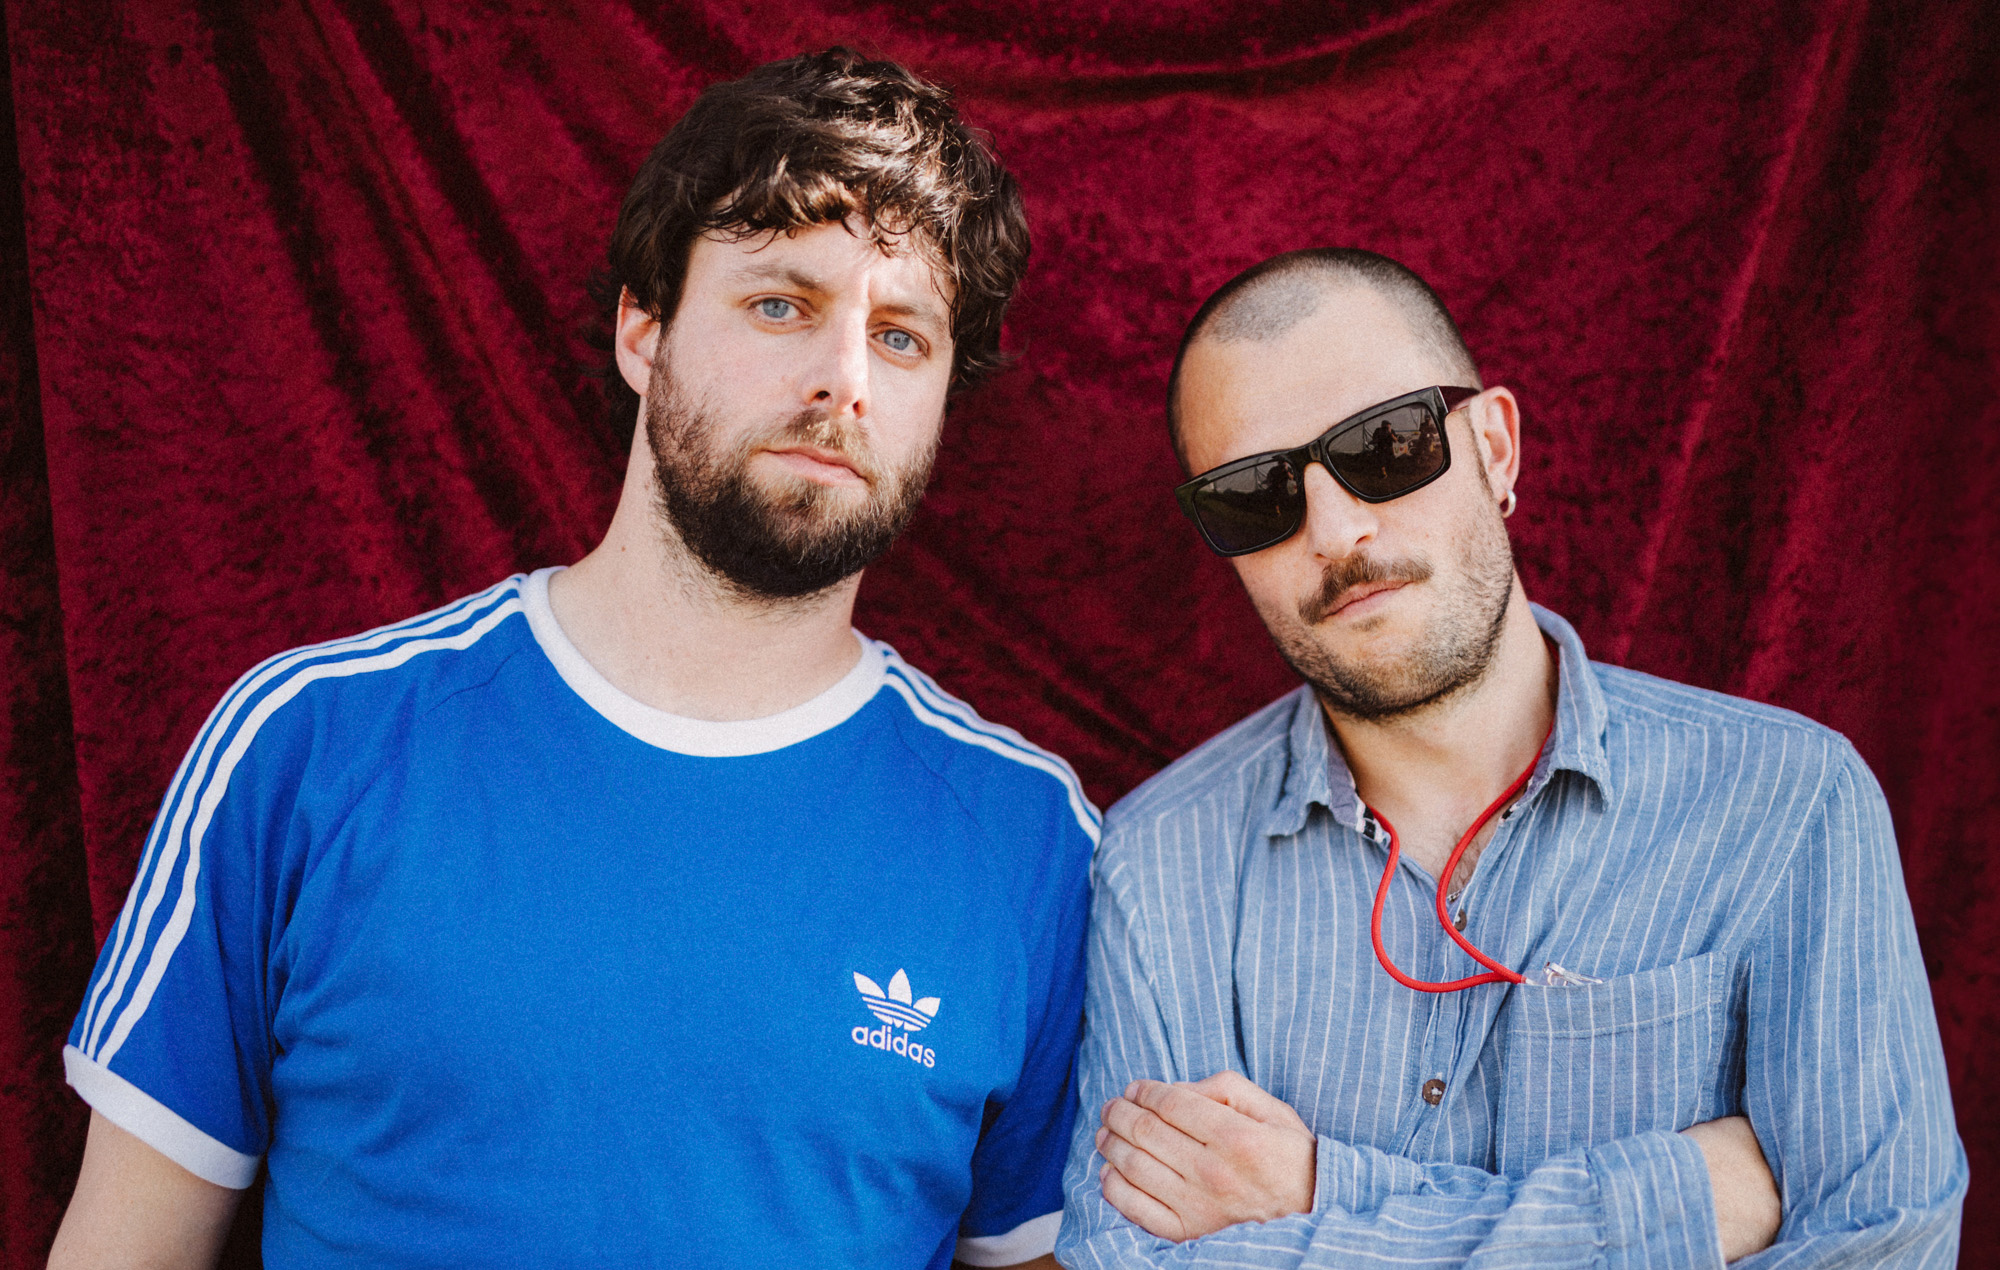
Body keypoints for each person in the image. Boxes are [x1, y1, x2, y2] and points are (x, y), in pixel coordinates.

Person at [51, 49, 1090, 1270]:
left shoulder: (1025, 838)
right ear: (641, 332)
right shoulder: (308, 743)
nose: (843, 381)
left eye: (903, 337)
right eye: (779, 304)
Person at [1055, 248, 1965, 1267]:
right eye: (1253, 496)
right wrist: (1664, 1207)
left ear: (1493, 447)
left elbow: (1886, 1246)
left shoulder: (1790, 803)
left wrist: (1321, 1193)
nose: (1336, 529)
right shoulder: (1157, 864)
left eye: (1384, 446)